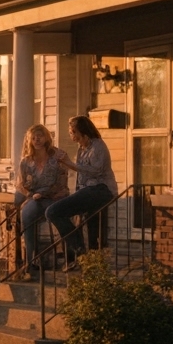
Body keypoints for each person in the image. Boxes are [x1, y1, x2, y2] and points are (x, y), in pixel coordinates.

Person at [46, 115, 117, 271]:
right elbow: (80, 176)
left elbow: (96, 171)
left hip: (102, 189)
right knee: (92, 229)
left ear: (82, 131)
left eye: (73, 131)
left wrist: (69, 163)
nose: (71, 135)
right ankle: (89, 262)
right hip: (87, 190)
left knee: (53, 211)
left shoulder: (98, 146)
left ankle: (79, 251)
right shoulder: (81, 149)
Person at [14, 124, 69, 277]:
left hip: (55, 197)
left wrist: (44, 193)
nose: (37, 140)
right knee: (26, 214)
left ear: (46, 138)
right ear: (29, 141)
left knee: (56, 213)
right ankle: (30, 261)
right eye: (33, 138)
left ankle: (67, 255)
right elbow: (20, 184)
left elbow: (62, 182)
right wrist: (31, 194)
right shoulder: (26, 162)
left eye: (40, 136)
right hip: (35, 198)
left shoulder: (56, 158)